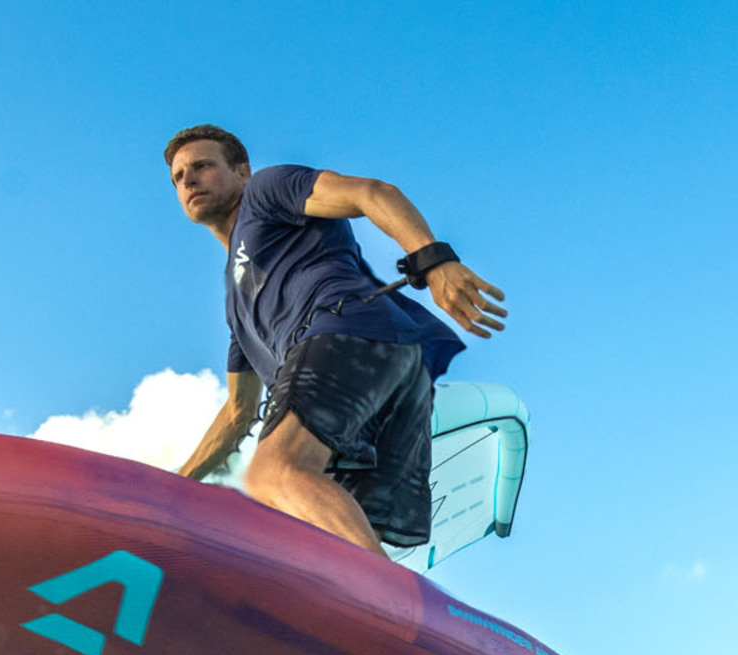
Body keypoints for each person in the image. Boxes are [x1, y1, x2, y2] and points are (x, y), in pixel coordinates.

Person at [165, 124, 507, 556]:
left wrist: (433, 260)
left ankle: (382, 598)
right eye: (178, 177)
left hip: (352, 335)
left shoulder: (266, 191)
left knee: (277, 470)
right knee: (318, 537)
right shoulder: (237, 306)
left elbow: (371, 193)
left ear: (241, 172)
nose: (189, 180)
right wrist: (173, 486)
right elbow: (238, 411)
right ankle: (389, 611)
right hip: (387, 382)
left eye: (202, 166)